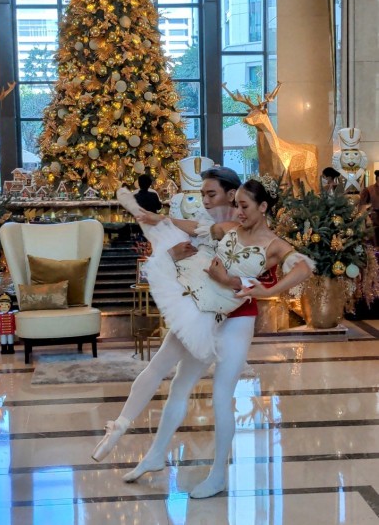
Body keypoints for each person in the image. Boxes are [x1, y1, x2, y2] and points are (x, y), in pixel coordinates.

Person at [92, 175, 314, 498]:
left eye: (244, 206)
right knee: (177, 382)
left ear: (263, 207)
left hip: (238, 321)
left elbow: (304, 268)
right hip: (204, 311)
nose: (238, 212)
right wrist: (154, 218)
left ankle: (218, 475)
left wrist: (258, 289)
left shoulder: (276, 245)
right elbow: (193, 228)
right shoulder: (228, 230)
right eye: (236, 205)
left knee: (222, 396)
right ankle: (154, 454)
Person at [359, 169, 379, 247]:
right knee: (374, 244)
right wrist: (367, 218)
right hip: (373, 218)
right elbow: (362, 205)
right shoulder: (368, 190)